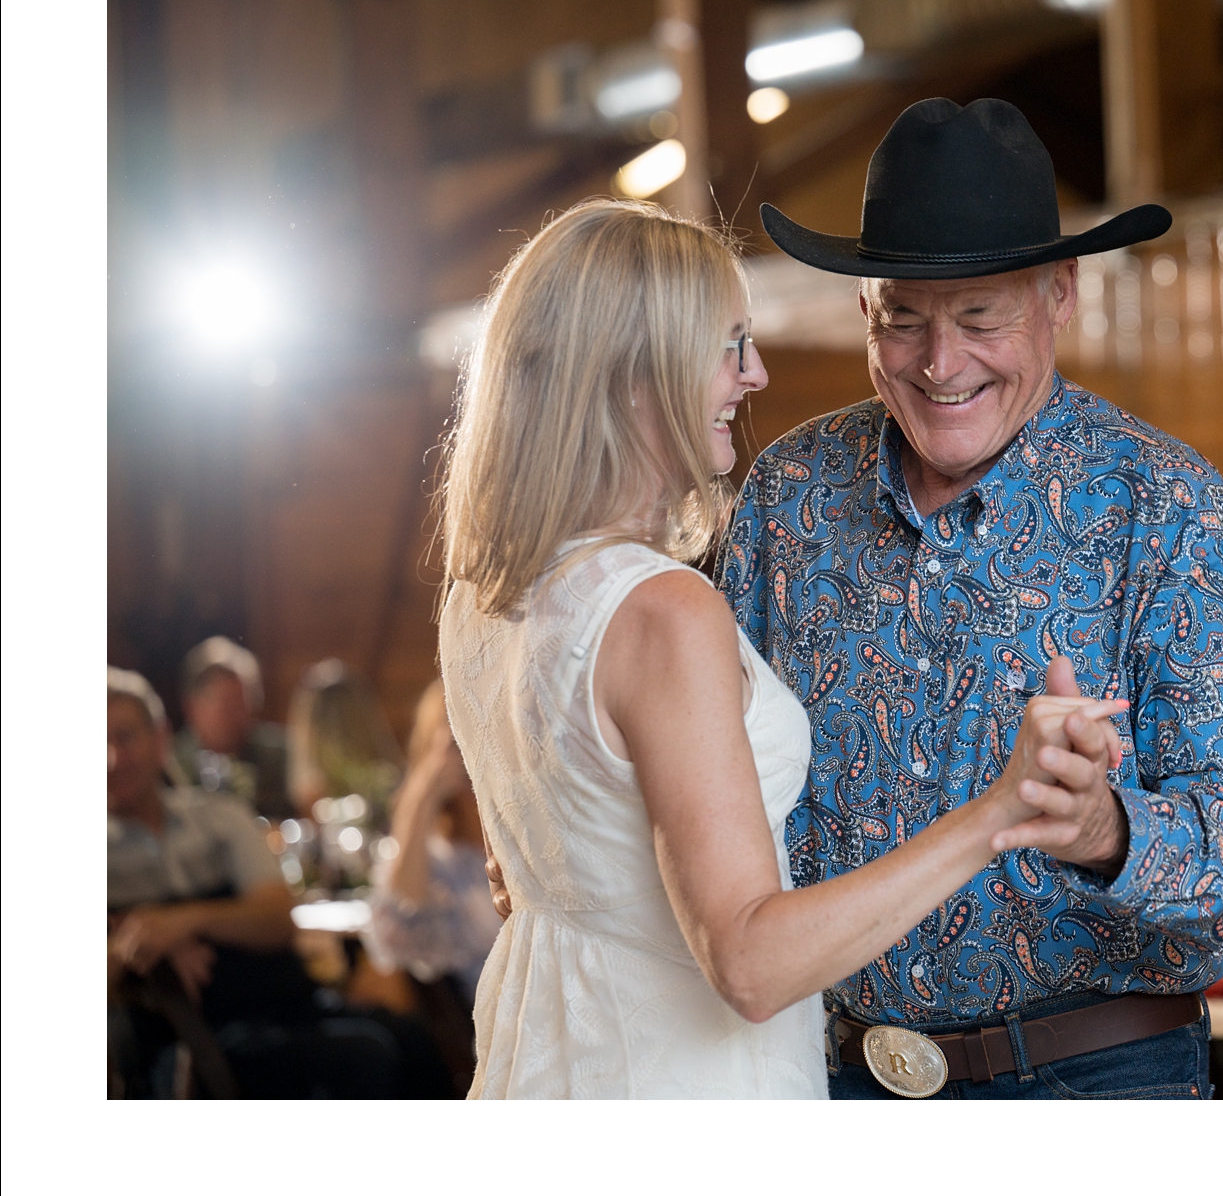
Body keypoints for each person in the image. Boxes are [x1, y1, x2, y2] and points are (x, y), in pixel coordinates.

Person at [439, 197, 1125, 1098]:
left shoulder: (484, 592)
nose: (754, 373)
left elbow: (535, 869)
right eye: (729, 344)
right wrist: (1002, 810)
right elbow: (751, 965)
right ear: (637, 373)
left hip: (552, 1063)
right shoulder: (664, 609)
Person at [730, 97, 1223, 1098]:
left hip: (1092, 1084)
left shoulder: (1162, 505)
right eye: (903, 321)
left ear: (1059, 292)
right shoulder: (788, 499)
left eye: (979, 317)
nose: (939, 363)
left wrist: (1108, 832)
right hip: (826, 1081)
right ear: (863, 310)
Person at [108, 667, 448, 1097]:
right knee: (365, 1055)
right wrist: (140, 947)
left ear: (159, 740)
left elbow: (278, 915)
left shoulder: (218, 817)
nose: (111, 758)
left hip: (283, 1004)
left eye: (124, 737)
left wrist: (183, 921)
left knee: (414, 1037)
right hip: (194, 1040)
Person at [364, 678, 500, 1004]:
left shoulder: (528, 831)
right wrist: (422, 794)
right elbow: (395, 930)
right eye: (457, 740)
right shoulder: (440, 857)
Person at [173, 636, 293, 819]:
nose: (239, 715)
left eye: (244, 704)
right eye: (227, 706)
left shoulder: (280, 754)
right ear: (192, 707)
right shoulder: (172, 764)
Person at [286, 657, 402, 820]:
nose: (337, 726)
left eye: (344, 715)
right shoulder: (309, 790)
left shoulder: (386, 780)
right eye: (327, 716)